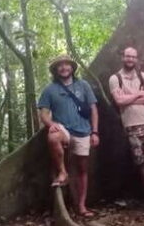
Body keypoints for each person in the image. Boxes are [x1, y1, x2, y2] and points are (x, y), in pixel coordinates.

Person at [37, 55, 99, 217]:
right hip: (64, 129)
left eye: (67, 65)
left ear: (72, 68)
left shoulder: (83, 85)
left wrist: (95, 132)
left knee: (82, 168)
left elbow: (93, 109)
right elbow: (43, 113)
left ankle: (81, 206)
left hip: (84, 130)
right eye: (60, 66)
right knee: (53, 137)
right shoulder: (50, 89)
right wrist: (51, 125)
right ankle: (62, 172)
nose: (64, 68)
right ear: (56, 70)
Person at [109, 47, 144, 206]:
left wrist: (129, 98)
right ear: (123, 57)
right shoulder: (115, 78)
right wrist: (138, 94)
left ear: (137, 59)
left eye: (133, 57)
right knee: (141, 162)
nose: (130, 59)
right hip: (131, 125)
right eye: (128, 56)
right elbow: (119, 102)